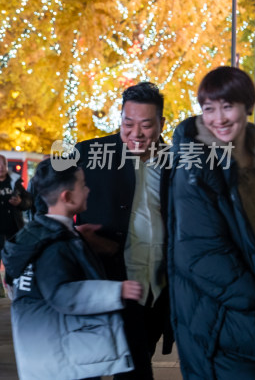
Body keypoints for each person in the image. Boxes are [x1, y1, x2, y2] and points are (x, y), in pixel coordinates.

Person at [168, 66, 255, 377]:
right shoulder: (197, 164)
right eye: (209, 109)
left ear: (247, 106)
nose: (219, 119)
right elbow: (200, 253)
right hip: (228, 321)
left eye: (228, 106)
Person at [5, 159, 139, 379]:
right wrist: (118, 291)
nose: (88, 190)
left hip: (44, 351)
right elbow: (62, 293)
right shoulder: (56, 245)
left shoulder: (38, 234)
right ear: (67, 197)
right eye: (82, 185)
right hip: (63, 356)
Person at [75, 82, 172, 378]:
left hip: (155, 290)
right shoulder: (89, 153)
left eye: (146, 125)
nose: (136, 133)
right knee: (91, 367)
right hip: (104, 283)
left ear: (161, 123)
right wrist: (72, 235)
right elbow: (47, 200)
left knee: (137, 365)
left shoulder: (176, 161)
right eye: (128, 124)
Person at [0, 154, 32, 317]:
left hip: (13, 229)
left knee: (14, 260)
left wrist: (21, 203)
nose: (0, 167)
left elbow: (28, 202)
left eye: (2, 164)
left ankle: (12, 288)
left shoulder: (15, 182)